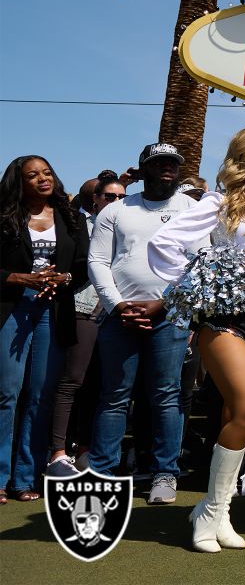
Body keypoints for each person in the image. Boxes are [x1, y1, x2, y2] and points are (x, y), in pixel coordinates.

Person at [148, 126, 245, 552]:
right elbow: (164, 244)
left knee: (241, 414)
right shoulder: (217, 203)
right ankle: (212, 511)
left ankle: (217, 511)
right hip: (223, 319)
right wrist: (201, 282)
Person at [87, 144, 197, 505]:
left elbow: (201, 262)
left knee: (166, 396)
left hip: (170, 316)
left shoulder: (192, 209)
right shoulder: (116, 210)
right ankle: (103, 473)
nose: (167, 168)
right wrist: (117, 305)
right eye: (159, 163)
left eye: (173, 163)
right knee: (114, 397)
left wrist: (164, 303)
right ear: (143, 169)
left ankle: (165, 474)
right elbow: (99, 260)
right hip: (120, 316)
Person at [0, 156, 88, 504]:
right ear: (18, 183)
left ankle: (25, 477)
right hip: (12, 307)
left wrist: (64, 278)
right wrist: (19, 278)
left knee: (40, 394)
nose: (42, 179)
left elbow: (81, 266)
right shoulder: (5, 216)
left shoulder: (71, 216)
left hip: (53, 310)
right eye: (32, 176)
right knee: (7, 394)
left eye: (47, 173)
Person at [47, 176, 125, 479]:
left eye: (121, 196)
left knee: (101, 385)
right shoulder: (81, 226)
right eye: (108, 196)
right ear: (95, 199)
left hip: (115, 315)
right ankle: (57, 452)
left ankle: (85, 451)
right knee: (72, 381)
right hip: (83, 309)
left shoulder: (129, 226)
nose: (115, 201)